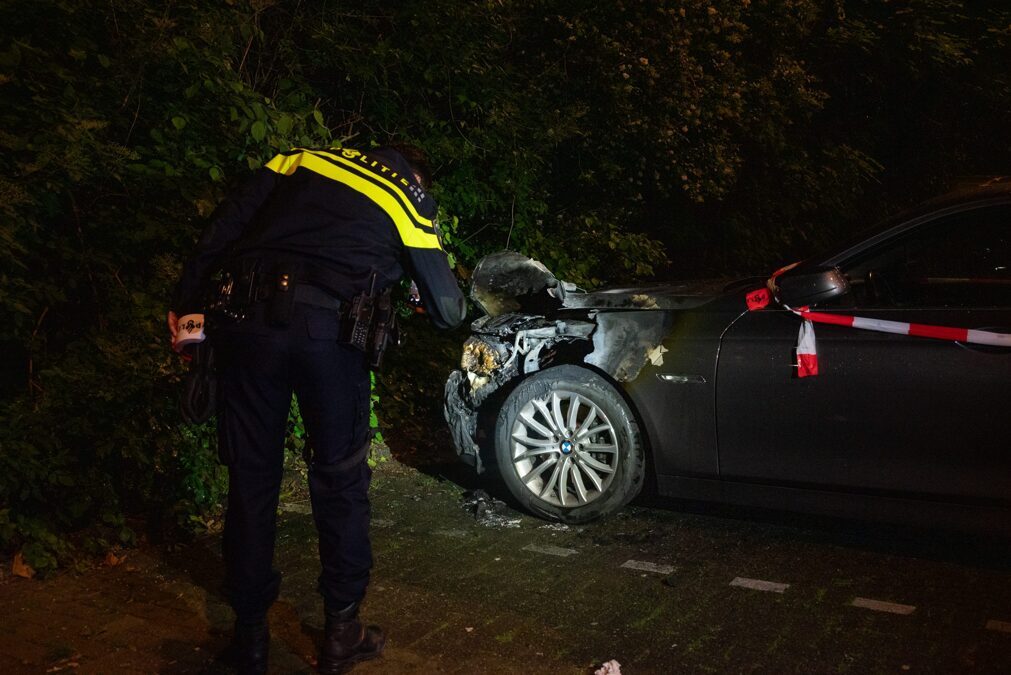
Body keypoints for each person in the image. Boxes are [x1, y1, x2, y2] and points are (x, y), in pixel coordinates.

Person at [168, 143, 466, 674]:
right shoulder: (406, 193)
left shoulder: (296, 159)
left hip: (249, 324)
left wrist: (187, 302)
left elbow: (224, 225)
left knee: (251, 479)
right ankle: (340, 634)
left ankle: (250, 639)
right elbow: (448, 310)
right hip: (330, 338)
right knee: (340, 480)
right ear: (415, 173)